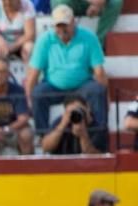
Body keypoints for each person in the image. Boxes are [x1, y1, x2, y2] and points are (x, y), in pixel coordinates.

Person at [24, 5, 107, 136]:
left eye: (65, 25)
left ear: (73, 22)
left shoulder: (89, 37)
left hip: (82, 85)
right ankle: (43, 138)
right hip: (53, 86)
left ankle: (99, 137)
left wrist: (105, 95)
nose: (62, 30)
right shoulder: (45, 40)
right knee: (38, 93)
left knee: (97, 91)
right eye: (58, 26)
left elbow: (99, 72)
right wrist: (28, 99)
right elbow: (33, 73)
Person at [40, 94, 107, 155]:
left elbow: (95, 157)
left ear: (87, 107)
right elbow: (46, 147)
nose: (76, 114)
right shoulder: (61, 121)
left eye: (79, 109)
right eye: (71, 111)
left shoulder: (98, 127)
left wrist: (83, 136)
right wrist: (62, 126)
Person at [0, 0, 35, 70]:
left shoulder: (27, 5)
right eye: (5, 2)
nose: (8, 4)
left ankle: (30, 78)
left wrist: (12, 47)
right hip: (0, 45)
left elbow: (30, 35)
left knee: (29, 47)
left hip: (20, 44)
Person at [51, 0, 122, 47]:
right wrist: (95, 2)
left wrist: (97, 4)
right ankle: (62, 44)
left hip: (97, 4)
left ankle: (97, 46)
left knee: (115, 2)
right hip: (73, 2)